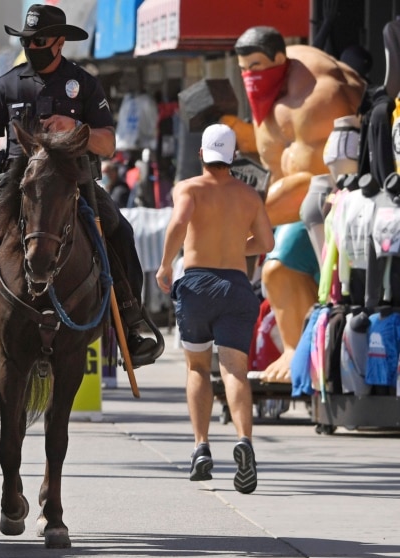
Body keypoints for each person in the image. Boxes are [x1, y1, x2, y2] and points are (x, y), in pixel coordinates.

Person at [0, 4, 162, 369]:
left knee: (120, 230)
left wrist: (74, 130)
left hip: (74, 180)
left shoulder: (84, 83)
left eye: (38, 40)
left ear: (59, 42)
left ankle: (131, 325)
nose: (31, 46)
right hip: (15, 180)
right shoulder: (7, 84)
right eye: (27, 40)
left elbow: (108, 143)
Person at [227, 26, 365, 383]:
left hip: (331, 203)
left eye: (256, 65)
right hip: (292, 206)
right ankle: (295, 349)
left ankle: (313, 355)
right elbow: (273, 154)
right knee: (276, 272)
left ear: (277, 59)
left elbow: (320, 178)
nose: (249, 76)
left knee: (289, 269)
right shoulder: (272, 95)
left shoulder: (320, 95)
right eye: (243, 68)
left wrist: (250, 217)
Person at [156, 124, 275, 494]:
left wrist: (164, 265)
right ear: (232, 156)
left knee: (198, 367)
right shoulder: (249, 195)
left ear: (201, 155)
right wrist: (234, 247)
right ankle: (244, 440)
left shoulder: (188, 188)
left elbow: (178, 223)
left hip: (197, 283)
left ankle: (201, 446)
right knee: (235, 370)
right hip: (237, 287)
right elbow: (267, 241)